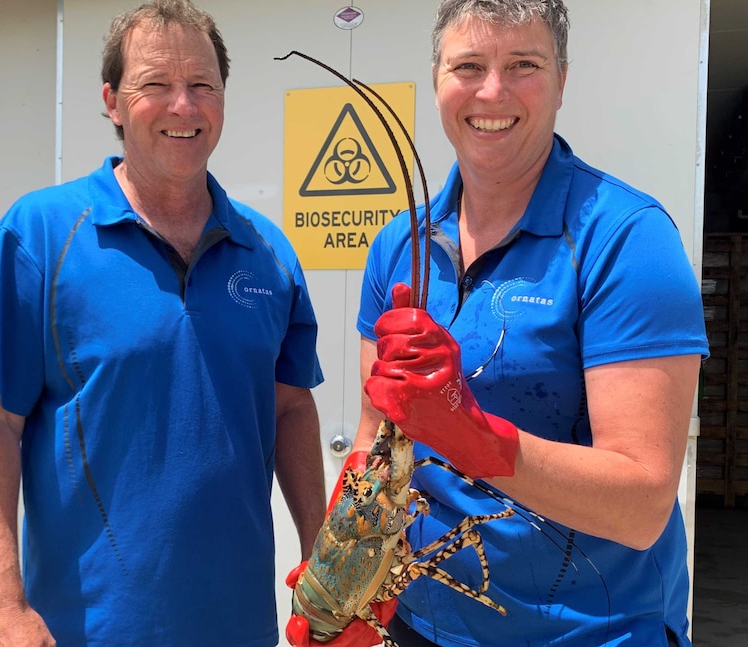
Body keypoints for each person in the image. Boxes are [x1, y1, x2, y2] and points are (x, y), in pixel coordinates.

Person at [286, 0, 709, 646]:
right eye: (469, 65)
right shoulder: (398, 246)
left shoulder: (627, 239)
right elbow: (376, 435)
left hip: (595, 634)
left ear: (562, 79)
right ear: (436, 82)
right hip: (423, 627)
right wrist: (344, 583)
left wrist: (477, 437)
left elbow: (645, 503)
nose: (492, 90)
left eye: (523, 64)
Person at [0, 1, 327, 645]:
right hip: (84, 630)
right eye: (155, 84)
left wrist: (327, 563)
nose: (183, 105)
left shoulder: (268, 252)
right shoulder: (40, 234)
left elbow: (290, 407)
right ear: (113, 101)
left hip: (241, 626)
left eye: (202, 85)